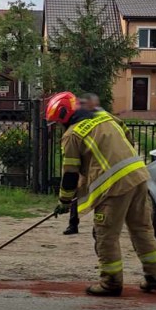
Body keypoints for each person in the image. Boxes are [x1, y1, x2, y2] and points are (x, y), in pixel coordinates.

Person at [46, 90, 156, 296]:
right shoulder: (105, 116)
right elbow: (129, 138)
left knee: (105, 234)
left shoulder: (72, 135)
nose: (58, 127)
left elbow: (70, 174)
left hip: (114, 187)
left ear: (64, 116)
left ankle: (110, 283)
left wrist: (64, 201)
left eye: (57, 122)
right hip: (138, 176)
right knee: (142, 228)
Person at [63, 91, 104, 235]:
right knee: (76, 192)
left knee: (100, 196)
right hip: (87, 165)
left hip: (99, 166)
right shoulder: (82, 120)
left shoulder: (99, 117)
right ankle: (73, 223)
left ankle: (98, 225)